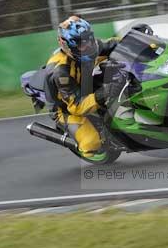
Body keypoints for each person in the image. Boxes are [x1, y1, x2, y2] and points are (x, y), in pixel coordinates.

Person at [47, 15, 122, 156]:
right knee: (91, 143)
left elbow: (113, 44)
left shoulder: (90, 47)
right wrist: (104, 93)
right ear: (67, 45)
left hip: (84, 85)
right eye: (82, 43)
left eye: (89, 39)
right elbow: (76, 106)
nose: (88, 45)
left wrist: (135, 39)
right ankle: (77, 139)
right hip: (65, 107)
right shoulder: (61, 71)